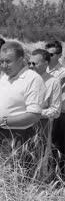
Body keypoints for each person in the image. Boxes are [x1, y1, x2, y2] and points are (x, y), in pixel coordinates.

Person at [0, 41, 46, 170]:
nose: (4, 66)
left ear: (21, 60)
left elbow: (34, 115)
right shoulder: (4, 77)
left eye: (8, 61)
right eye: (2, 61)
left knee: (13, 179)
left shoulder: (32, 79)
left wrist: (2, 121)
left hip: (17, 139)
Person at [28, 49, 61, 178]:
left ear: (46, 63)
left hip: (41, 126)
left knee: (38, 159)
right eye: (29, 63)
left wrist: (36, 113)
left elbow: (56, 110)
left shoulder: (53, 82)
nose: (31, 66)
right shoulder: (24, 80)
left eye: (34, 63)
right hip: (21, 125)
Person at [45, 40, 65, 177]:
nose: (47, 57)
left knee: (57, 148)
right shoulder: (39, 69)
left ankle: (58, 178)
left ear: (59, 55)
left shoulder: (63, 73)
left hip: (57, 116)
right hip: (41, 114)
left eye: (51, 54)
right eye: (46, 54)